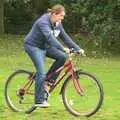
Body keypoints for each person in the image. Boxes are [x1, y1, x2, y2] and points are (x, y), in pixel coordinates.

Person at [24, 4, 84, 107]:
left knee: (62, 57)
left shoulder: (57, 23)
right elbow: (50, 38)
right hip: (33, 46)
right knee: (41, 71)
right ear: (54, 14)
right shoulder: (43, 22)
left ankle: (47, 82)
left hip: (45, 47)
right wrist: (62, 48)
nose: (62, 18)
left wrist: (78, 49)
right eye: (61, 15)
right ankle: (39, 101)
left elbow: (65, 37)